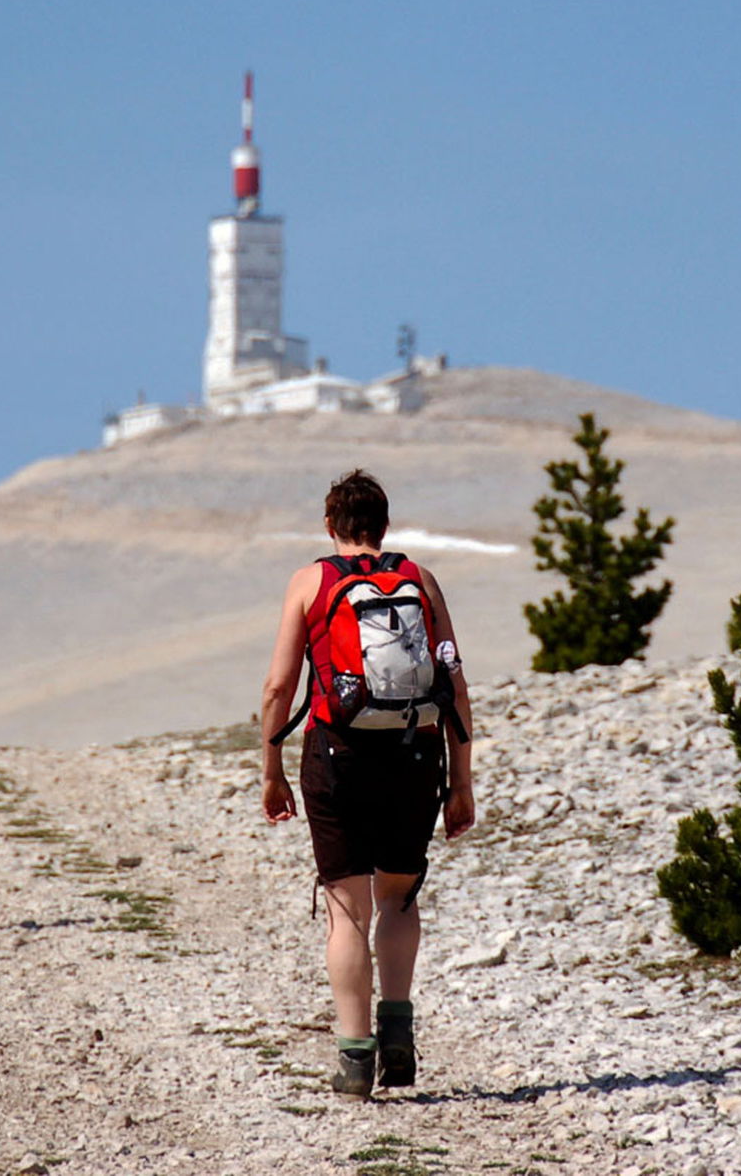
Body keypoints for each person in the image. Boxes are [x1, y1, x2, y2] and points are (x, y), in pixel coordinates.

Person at [261, 469, 474, 1098]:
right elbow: (454, 686)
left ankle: (356, 1058)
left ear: (331, 526)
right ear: (383, 523)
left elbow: (278, 687)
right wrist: (461, 783)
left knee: (347, 910)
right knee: (400, 898)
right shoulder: (420, 580)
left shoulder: (311, 582)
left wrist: (271, 772)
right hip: (415, 754)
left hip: (337, 754)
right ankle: (400, 1034)